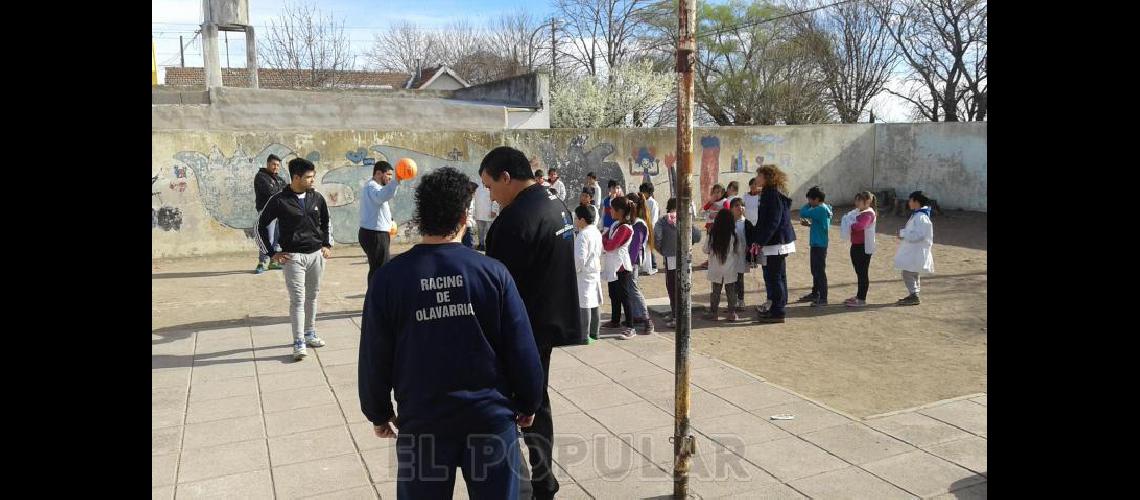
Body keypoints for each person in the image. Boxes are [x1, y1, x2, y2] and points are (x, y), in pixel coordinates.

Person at [358, 167, 544, 500]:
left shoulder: (389, 279)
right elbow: (521, 346)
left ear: (420, 216)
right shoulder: (493, 273)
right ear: (463, 215)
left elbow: (374, 354)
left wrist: (378, 410)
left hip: (423, 424)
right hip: (489, 422)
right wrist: (529, 400)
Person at [479, 146, 584, 500]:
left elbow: (497, 288)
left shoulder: (513, 221)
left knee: (525, 403)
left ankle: (538, 480)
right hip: (550, 319)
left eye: (490, 186)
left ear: (506, 177)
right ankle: (543, 476)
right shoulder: (554, 201)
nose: (491, 197)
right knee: (536, 398)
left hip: (524, 327)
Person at [256, 158, 332, 360]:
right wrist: (272, 254)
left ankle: (310, 333)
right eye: (308, 177)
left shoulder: (317, 198)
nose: (312, 180)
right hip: (293, 258)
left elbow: (326, 221)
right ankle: (298, 341)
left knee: (312, 296)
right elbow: (259, 227)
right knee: (297, 300)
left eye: (313, 176)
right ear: (296, 177)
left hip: (316, 256)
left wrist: (326, 244)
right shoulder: (279, 200)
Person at [751, 165, 796, 324]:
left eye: (759, 176)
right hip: (778, 241)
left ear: (767, 178)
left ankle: (778, 311)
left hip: (775, 242)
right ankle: (778, 307)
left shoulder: (771, 194)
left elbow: (773, 221)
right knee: (779, 276)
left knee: (774, 277)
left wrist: (760, 241)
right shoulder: (773, 192)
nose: (757, 179)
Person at [654, 198, 701, 328]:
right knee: (683, 287)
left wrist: (662, 250)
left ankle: (676, 316)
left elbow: (657, 238)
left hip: (670, 258)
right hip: (685, 257)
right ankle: (681, 315)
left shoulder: (663, 221)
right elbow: (697, 236)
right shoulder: (686, 218)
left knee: (672, 287)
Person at [601, 196, 638, 339]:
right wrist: (605, 239)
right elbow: (604, 238)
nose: (610, 211)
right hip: (612, 265)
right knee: (613, 294)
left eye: (613, 209)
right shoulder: (615, 224)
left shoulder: (626, 228)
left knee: (624, 297)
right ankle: (615, 320)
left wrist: (604, 240)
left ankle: (631, 326)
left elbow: (611, 245)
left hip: (621, 266)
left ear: (620, 211)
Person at [358, 161, 401, 283]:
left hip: (375, 233)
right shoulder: (372, 186)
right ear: (378, 173)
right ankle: (376, 298)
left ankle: (375, 297)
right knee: (380, 269)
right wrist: (396, 181)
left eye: (392, 175)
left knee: (378, 268)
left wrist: (390, 221)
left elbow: (383, 200)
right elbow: (381, 197)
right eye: (388, 174)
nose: (390, 178)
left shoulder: (375, 187)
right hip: (375, 235)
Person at [894, 190, 935, 306]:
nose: (909, 202)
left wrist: (903, 234)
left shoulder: (921, 217)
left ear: (916, 202)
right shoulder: (918, 215)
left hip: (916, 250)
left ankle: (914, 294)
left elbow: (919, 235)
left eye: (910, 200)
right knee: (913, 272)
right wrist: (903, 233)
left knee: (907, 272)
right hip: (914, 249)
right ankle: (914, 293)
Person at [840, 191, 878, 308]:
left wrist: (849, 223)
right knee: (859, 272)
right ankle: (858, 296)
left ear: (867, 202)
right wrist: (848, 221)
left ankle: (862, 299)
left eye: (859, 200)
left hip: (863, 247)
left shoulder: (868, 214)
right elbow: (852, 221)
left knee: (862, 273)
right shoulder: (858, 212)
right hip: (856, 246)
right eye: (856, 200)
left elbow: (859, 226)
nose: (856, 203)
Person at [704, 209, 744, 321]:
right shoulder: (734, 235)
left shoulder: (712, 234)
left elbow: (705, 249)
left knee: (715, 291)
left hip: (715, 268)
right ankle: (732, 313)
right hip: (730, 268)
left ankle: (714, 313)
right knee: (731, 291)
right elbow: (739, 250)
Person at [625, 193, 655, 334]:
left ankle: (647, 318)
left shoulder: (638, 224)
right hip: (629, 261)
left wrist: (628, 264)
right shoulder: (633, 222)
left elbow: (635, 247)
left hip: (633, 261)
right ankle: (637, 315)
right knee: (631, 289)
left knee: (634, 289)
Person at [798, 186, 833, 306]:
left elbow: (802, 212)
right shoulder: (824, 208)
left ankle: (823, 298)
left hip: (819, 244)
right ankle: (815, 293)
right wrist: (810, 225)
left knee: (819, 271)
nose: (809, 202)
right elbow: (821, 225)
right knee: (816, 270)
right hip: (819, 243)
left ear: (817, 199)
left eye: (810, 199)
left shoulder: (819, 209)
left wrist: (808, 205)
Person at [573, 205, 603, 343]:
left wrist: (575, 271)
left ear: (582, 219)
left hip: (584, 272)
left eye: (576, 218)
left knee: (584, 303)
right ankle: (594, 332)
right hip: (594, 270)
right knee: (594, 301)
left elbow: (580, 258)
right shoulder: (596, 231)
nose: (575, 221)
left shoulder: (583, 235)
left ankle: (584, 336)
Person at [254, 154, 286, 273]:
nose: (276, 167)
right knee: (268, 237)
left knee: (277, 239)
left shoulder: (278, 179)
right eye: (273, 164)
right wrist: (283, 192)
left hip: (279, 212)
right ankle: (262, 263)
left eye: (278, 165)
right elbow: (271, 192)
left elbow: (287, 190)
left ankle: (273, 262)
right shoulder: (261, 177)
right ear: (268, 164)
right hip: (266, 212)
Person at [638, 182, 660, 275]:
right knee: (645, 248)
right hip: (643, 227)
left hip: (649, 228)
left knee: (649, 248)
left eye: (643, 192)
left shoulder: (652, 203)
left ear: (648, 192)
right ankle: (645, 267)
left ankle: (651, 267)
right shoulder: (643, 201)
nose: (642, 193)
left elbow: (654, 218)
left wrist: (649, 228)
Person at [730, 197, 749, 306]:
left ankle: (741, 300)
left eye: (742, 205)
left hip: (741, 255)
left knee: (739, 278)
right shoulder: (728, 222)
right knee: (730, 279)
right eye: (736, 205)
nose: (740, 207)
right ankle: (732, 300)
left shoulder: (746, 223)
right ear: (731, 208)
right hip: (730, 255)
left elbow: (750, 237)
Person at [473, 182, 499, 251]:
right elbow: (474, 199)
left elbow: (495, 199)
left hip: (489, 213)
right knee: (480, 231)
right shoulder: (478, 187)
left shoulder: (491, 186)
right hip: (479, 213)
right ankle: (481, 244)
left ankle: (488, 245)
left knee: (489, 231)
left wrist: (494, 210)